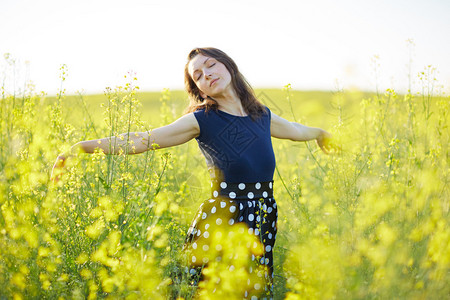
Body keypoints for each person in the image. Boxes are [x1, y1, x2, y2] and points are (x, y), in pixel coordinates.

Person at [51, 47, 334, 299]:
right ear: (199, 90)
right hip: (224, 219)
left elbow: (296, 131)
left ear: (229, 67)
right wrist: (81, 148)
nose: (206, 74)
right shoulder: (202, 119)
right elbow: (143, 139)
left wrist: (321, 133)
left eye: (211, 65)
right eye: (198, 75)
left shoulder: (262, 116)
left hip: (262, 216)